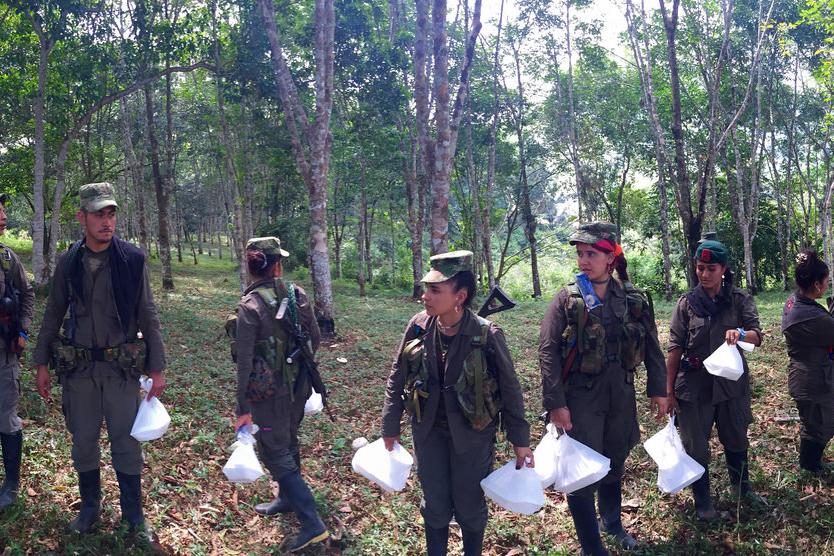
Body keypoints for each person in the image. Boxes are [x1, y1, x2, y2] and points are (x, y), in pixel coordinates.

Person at [33, 182, 167, 536]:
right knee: (83, 440)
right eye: (98, 215)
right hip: (79, 371)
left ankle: (133, 516)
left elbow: (148, 314)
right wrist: (41, 363)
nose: (107, 222)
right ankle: (90, 507)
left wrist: (157, 368)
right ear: (82, 217)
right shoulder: (69, 262)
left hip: (120, 370)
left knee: (126, 441)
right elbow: (53, 312)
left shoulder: (132, 260)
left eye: (111, 214)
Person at [381, 250, 532, 556]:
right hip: (428, 432)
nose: (426, 296)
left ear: (460, 296)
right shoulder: (419, 325)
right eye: (426, 288)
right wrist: (389, 424)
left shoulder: (486, 334)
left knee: (469, 506)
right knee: (434, 504)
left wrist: (520, 441)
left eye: (435, 290)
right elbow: (398, 374)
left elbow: (510, 388)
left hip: (472, 436)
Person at [539, 221, 667, 555]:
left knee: (614, 460)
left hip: (620, 392)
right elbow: (547, 351)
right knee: (582, 471)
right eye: (580, 254)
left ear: (610, 258)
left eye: (591, 254)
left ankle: (611, 522)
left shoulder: (632, 298)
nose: (584, 260)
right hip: (581, 397)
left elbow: (652, 344)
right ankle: (591, 546)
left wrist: (659, 389)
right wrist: (556, 403)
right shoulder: (568, 298)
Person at [230, 236, 328, 552]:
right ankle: (286, 498)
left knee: (275, 451)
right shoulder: (297, 295)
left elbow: (244, 363)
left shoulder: (250, 307)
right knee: (288, 440)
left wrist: (242, 407)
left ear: (251, 267)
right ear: (277, 266)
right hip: (299, 386)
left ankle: (312, 523)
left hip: (267, 395)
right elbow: (315, 338)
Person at [666, 238, 764, 520]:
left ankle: (742, 489)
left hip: (731, 385)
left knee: (736, 436)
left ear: (723, 269)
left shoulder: (738, 300)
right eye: (700, 268)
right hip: (694, 386)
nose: (705, 274)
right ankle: (703, 504)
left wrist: (740, 333)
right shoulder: (687, 304)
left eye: (711, 269)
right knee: (696, 446)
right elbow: (674, 348)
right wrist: (668, 391)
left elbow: (757, 336)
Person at [781, 250, 834, 474]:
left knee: (815, 421)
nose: (828, 284)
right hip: (812, 380)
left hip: (809, 374)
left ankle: (811, 463)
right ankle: (810, 466)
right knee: (819, 424)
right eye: (826, 281)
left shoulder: (796, 301)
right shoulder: (810, 315)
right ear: (816, 284)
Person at [0, 193, 34, 510]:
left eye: (3, 210)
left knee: (6, 418)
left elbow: (27, 294)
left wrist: (22, 331)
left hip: (4, 356)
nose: (3, 216)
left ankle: (10, 486)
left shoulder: (8, 259)